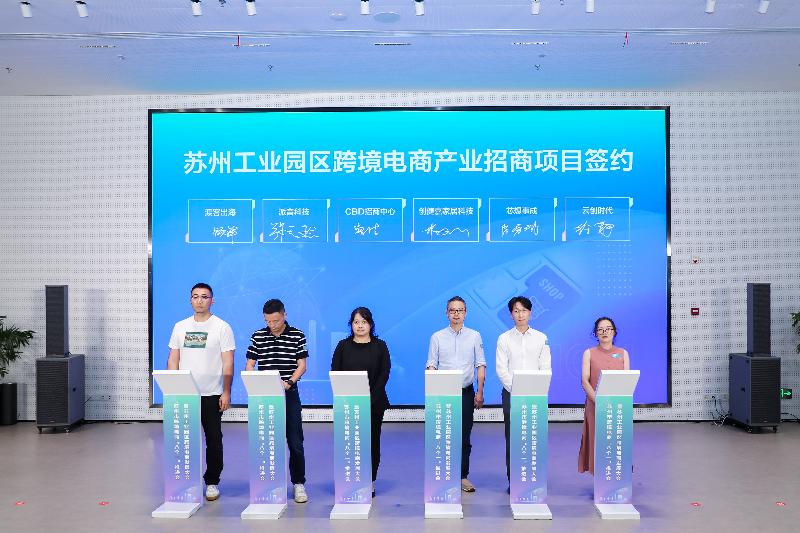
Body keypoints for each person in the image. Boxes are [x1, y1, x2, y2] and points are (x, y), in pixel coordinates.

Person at [167, 282, 235, 502]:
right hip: (185, 394)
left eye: (204, 297)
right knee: (183, 440)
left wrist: (226, 391)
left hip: (212, 394)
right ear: (190, 300)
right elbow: (173, 359)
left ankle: (212, 481)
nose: (200, 301)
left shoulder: (222, 327)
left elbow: (228, 363)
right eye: (195, 296)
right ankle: (185, 480)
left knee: (213, 440)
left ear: (212, 300)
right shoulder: (180, 327)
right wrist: (173, 388)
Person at [245, 299, 309, 503]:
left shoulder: (297, 335)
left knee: (295, 441)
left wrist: (289, 382)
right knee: (266, 441)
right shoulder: (258, 336)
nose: (272, 325)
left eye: (276, 321)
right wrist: (254, 381)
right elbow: (250, 364)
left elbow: (302, 365)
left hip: (289, 393)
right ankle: (268, 483)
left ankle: (298, 483)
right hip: (266, 395)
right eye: (268, 321)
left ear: (284, 315)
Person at [425, 296, 486, 493]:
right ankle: (443, 476)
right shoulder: (437, 337)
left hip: (466, 392)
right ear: (447, 313)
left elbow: (480, 365)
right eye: (452, 310)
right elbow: (432, 365)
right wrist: (433, 391)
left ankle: (462, 476)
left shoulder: (474, 336)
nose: (456, 314)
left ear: (465, 313)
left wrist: (480, 392)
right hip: (443, 393)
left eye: (460, 310)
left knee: (464, 436)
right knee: (442, 436)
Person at [331, 307, 391, 496]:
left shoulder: (380, 346)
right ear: (351, 325)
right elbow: (335, 371)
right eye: (356, 322)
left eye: (364, 322)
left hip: (374, 404)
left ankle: (369, 480)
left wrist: (370, 398)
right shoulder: (343, 346)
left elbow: (384, 373)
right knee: (349, 443)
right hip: (348, 404)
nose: (360, 326)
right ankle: (349, 480)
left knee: (371, 442)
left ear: (370, 324)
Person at [496, 296, 551, 484]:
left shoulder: (541, 338)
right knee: (513, 438)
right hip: (511, 394)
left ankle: (534, 479)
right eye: (516, 311)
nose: (520, 315)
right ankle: (514, 482)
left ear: (530, 313)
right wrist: (517, 390)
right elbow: (501, 369)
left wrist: (538, 389)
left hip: (536, 395)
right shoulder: (504, 339)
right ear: (511, 314)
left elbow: (546, 367)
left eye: (524, 311)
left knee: (534, 437)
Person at [578, 317, 630, 474]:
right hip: (596, 405)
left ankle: (618, 476)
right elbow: (585, 380)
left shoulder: (623, 353)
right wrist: (598, 401)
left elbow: (627, 380)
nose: (604, 332)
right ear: (595, 333)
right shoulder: (589, 353)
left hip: (617, 406)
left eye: (608, 329)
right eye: (600, 329)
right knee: (598, 441)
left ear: (614, 332)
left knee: (617, 442)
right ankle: (601, 479)